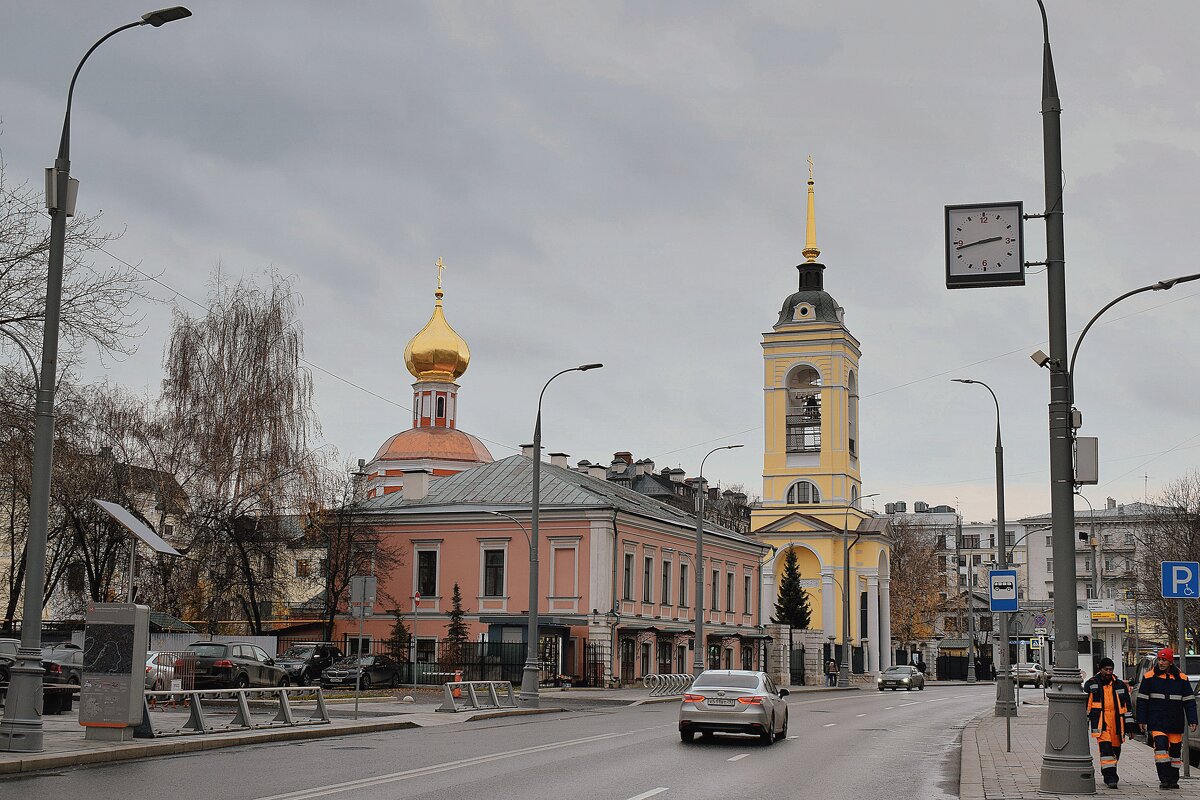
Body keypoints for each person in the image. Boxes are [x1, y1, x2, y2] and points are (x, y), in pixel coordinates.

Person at [1135, 647, 1198, 790]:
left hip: (1175, 721)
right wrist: (1141, 720)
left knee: (1175, 752)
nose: (1161, 662)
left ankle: (1173, 779)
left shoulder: (1182, 678)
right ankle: (1164, 779)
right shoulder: (1149, 677)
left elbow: (1189, 701)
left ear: (1170, 662)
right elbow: (1142, 701)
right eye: (1160, 659)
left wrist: (1193, 720)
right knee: (1161, 748)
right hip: (1156, 721)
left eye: (1164, 660)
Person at [1084, 657, 1137, 789]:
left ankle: (1108, 770)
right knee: (1106, 750)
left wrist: (1130, 725)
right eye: (1106, 669)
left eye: (1110, 669)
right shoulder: (1091, 684)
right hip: (1101, 724)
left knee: (1115, 751)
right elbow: (1086, 705)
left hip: (1117, 724)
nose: (1108, 672)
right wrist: (1084, 722)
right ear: (1100, 669)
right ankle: (1111, 778)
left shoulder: (1119, 685)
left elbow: (1127, 707)